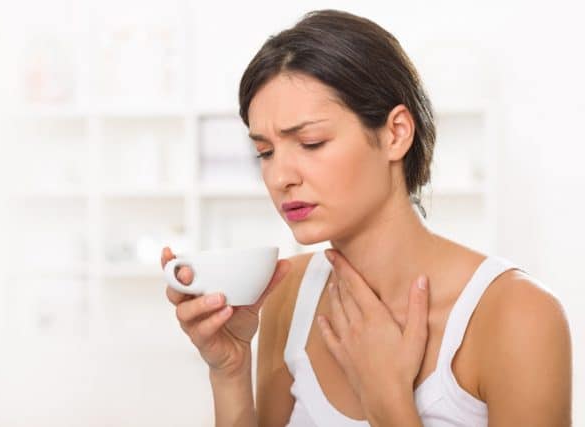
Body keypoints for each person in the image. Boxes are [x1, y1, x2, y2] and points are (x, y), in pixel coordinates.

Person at [162, 9, 572, 427]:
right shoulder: (289, 294)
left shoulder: (518, 316)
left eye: (311, 142)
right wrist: (228, 373)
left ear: (395, 134)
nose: (280, 177)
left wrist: (387, 401)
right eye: (265, 153)